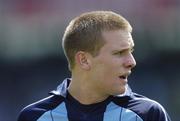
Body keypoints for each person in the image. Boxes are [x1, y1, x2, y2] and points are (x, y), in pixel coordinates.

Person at [18, 11, 171, 121]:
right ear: (84, 60)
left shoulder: (149, 114)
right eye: (119, 53)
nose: (131, 61)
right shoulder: (34, 116)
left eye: (130, 51)